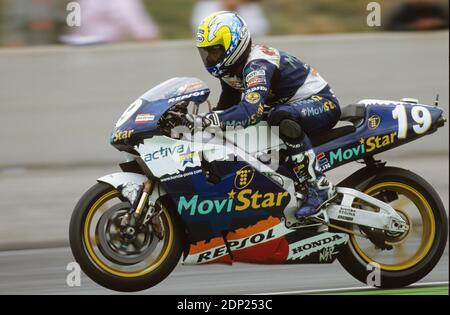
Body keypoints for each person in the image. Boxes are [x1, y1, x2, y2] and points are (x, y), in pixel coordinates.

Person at [182, 11, 340, 219]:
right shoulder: (231, 70)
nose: (210, 58)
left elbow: (250, 111)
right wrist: (196, 126)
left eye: (215, 51)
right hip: (291, 107)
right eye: (206, 52)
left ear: (234, 44)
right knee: (251, 128)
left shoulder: (257, 66)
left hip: (322, 103)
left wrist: (205, 121)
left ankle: (318, 186)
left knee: (280, 117)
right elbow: (227, 106)